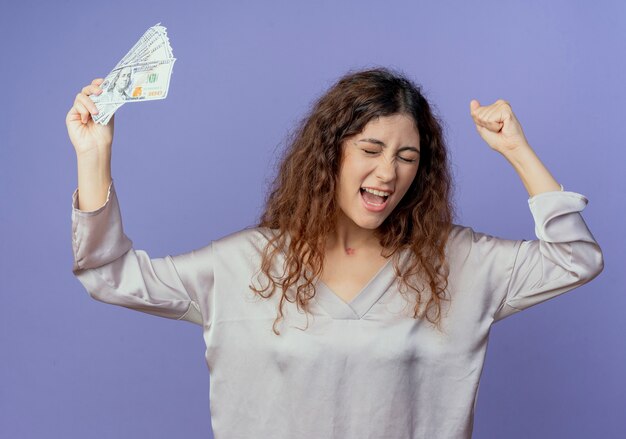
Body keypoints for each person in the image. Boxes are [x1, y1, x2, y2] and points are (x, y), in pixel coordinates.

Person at [66, 67, 604, 439]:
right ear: (329, 156)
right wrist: (95, 155)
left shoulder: (459, 262)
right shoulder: (245, 265)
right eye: (370, 150)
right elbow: (109, 275)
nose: (388, 172)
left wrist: (516, 149)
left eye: (406, 157)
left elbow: (574, 258)